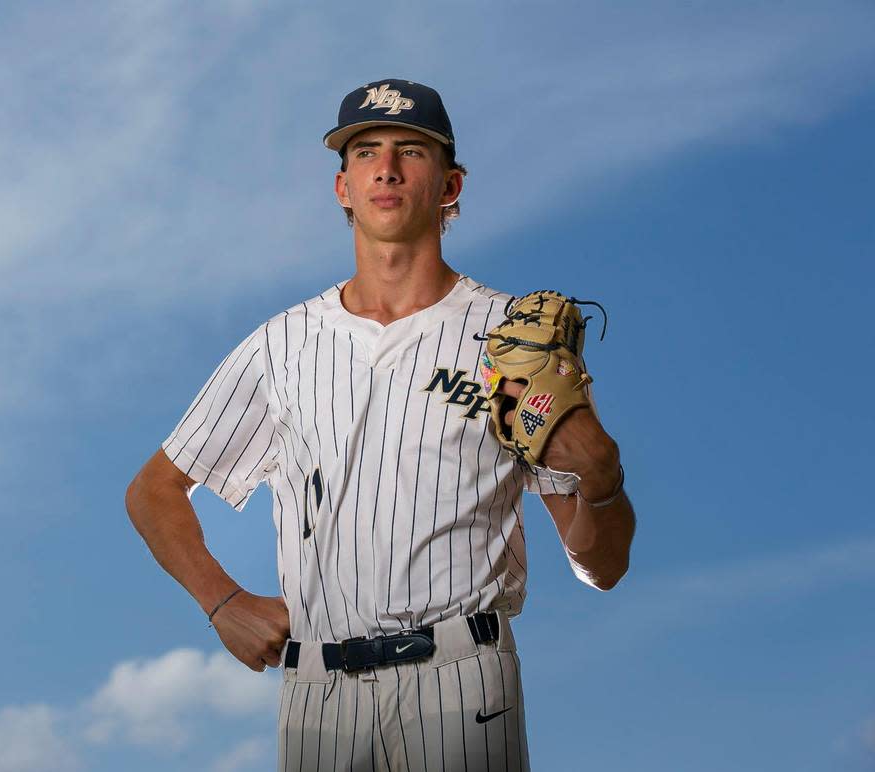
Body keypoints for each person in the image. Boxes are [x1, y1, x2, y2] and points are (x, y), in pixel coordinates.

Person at [126, 78, 636, 772]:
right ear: (343, 187)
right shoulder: (282, 344)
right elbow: (153, 490)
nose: (387, 167)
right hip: (316, 688)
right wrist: (223, 603)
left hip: (458, 677)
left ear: (450, 184)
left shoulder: (512, 341)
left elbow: (600, 568)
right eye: (365, 151)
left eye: (410, 151)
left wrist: (603, 480)